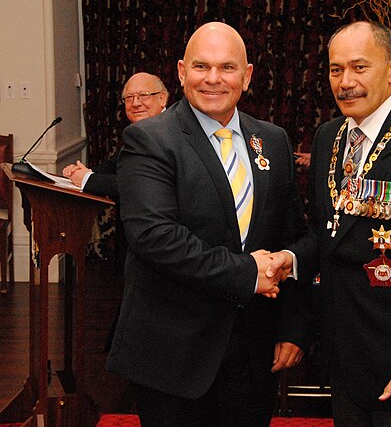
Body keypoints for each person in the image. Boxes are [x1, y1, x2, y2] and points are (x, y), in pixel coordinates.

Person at [106, 22, 309, 427]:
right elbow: (155, 238)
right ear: (181, 72)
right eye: (201, 66)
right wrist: (249, 272)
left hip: (253, 353)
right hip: (173, 354)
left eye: (227, 67)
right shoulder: (149, 139)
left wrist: (295, 326)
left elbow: (296, 236)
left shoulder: (273, 140)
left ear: (247, 76)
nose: (213, 79)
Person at [268, 21, 391, 426]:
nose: (346, 82)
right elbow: (328, 235)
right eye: (336, 69)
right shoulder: (328, 137)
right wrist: (291, 258)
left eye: (360, 67)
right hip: (343, 355)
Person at [62, 72, 169, 198]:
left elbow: (139, 184)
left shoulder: (168, 131)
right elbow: (116, 164)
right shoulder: (138, 130)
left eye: (143, 95)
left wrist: (87, 179)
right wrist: (83, 171)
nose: (135, 103)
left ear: (162, 98)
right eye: (129, 97)